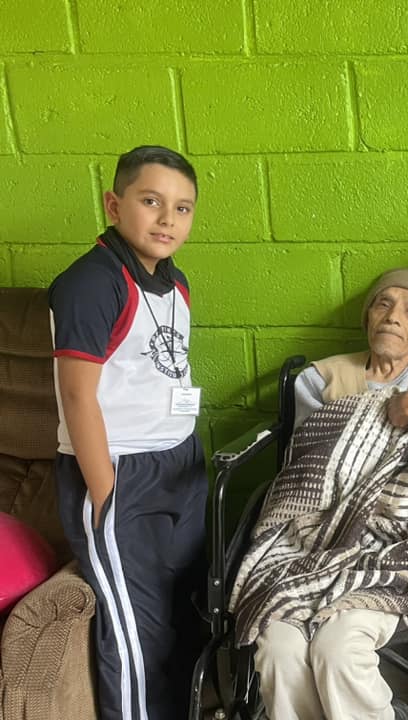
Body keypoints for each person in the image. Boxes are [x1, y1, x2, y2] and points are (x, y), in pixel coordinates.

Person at [239, 268, 408, 720]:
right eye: (383, 304)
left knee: (338, 649)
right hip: (314, 539)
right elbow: (309, 473)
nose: (393, 316)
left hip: (397, 543)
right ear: (367, 318)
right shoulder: (318, 380)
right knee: (278, 648)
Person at [48, 145, 207, 720]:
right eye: (151, 201)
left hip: (179, 464)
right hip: (121, 471)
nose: (168, 219)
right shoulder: (91, 283)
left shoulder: (175, 282)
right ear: (114, 206)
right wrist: (104, 491)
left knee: (185, 606)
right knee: (139, 629)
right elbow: (77, 395)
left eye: (182, 208)